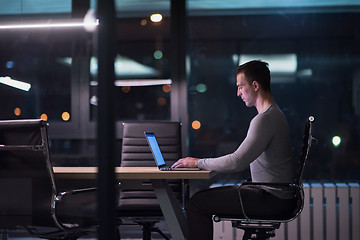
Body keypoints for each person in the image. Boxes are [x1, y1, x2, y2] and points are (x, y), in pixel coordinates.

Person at [171, 60, 297, 240]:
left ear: (254, 86)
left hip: (271, 199)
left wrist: (196, 162)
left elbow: (237, 161)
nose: (238, 93)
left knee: (197, 203)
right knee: (200, 199)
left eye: (240, 87)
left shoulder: (265, 119)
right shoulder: (273, 115)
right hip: (273, 195)